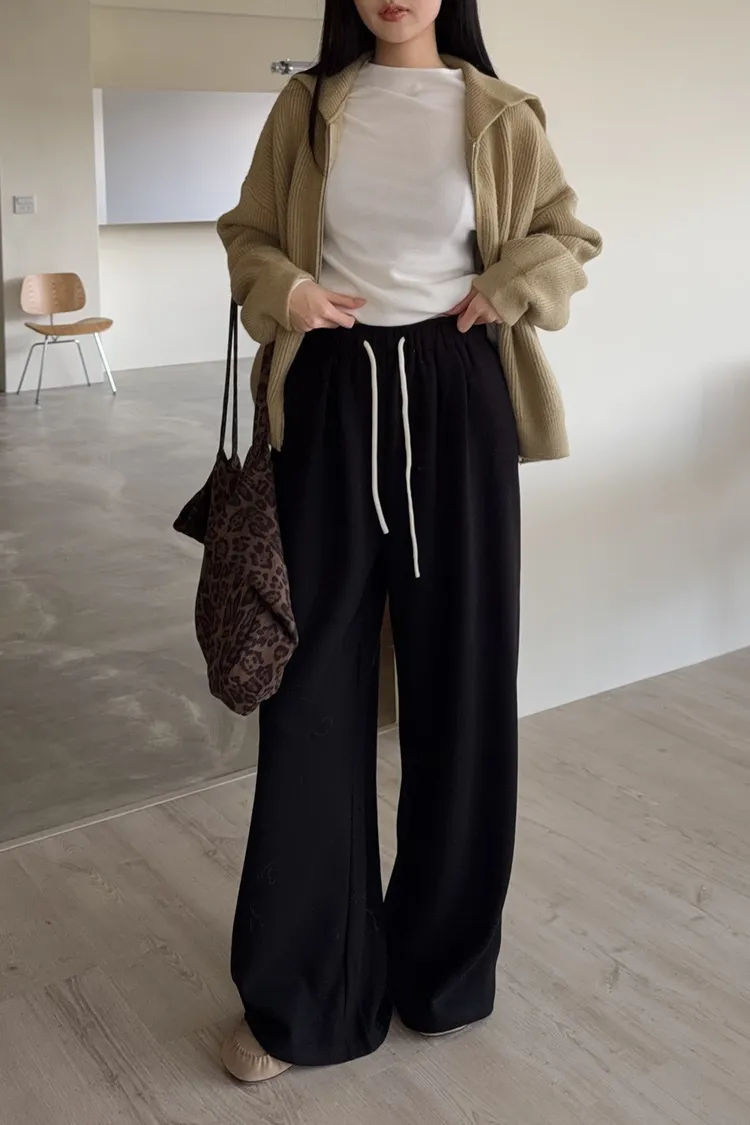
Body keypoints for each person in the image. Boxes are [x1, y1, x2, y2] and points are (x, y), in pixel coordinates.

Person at [217, 0, 602, 1083]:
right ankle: (306, 998)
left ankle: (443, 971)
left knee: (463, 688)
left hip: (455, 393)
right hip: (331, 399)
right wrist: (287, 289)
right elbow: (246, 233)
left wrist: (506, 288)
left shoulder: (501, 111)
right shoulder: (307, 106)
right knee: (311, 695)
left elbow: (568, 235)